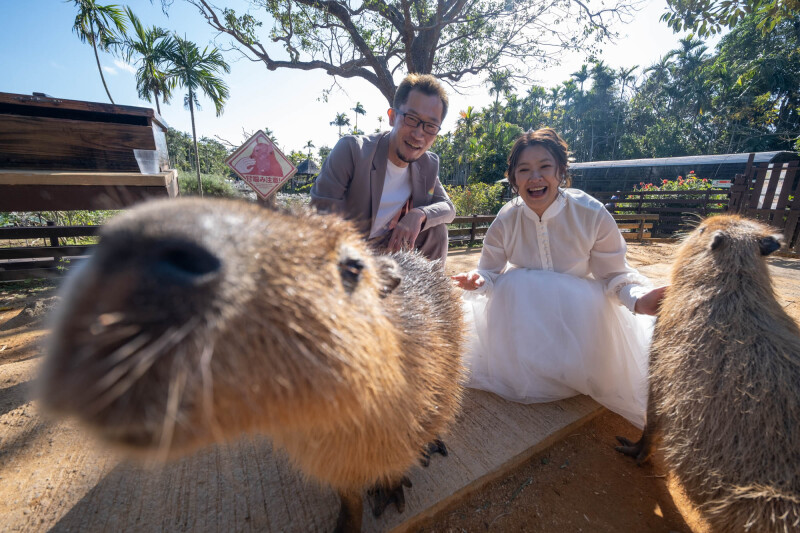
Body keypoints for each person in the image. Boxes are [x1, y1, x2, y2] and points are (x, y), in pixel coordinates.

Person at [451, 129, 666, 428]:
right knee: (513, 284)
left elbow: (615, 273)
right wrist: (477, 280)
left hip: (581, 325)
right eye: (524, 170)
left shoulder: (590, 213)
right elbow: (489, 271)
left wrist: (638, 300)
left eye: (545, 167)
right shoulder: (506, 218)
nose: (534, 177)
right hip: (523, 328)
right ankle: (534, 370)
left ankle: (574, 370)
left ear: (561, 172)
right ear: (513, 179)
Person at [310, 74, 455, 263]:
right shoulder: (353, 151)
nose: (419, 134)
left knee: (436, 229)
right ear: (393, 117)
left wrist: (419, 214)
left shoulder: (426, 165)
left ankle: (433, 291)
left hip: (392, 251)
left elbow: (448, 208)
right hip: (346, 249)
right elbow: (322, 215)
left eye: (430, 126)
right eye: (411, 118)